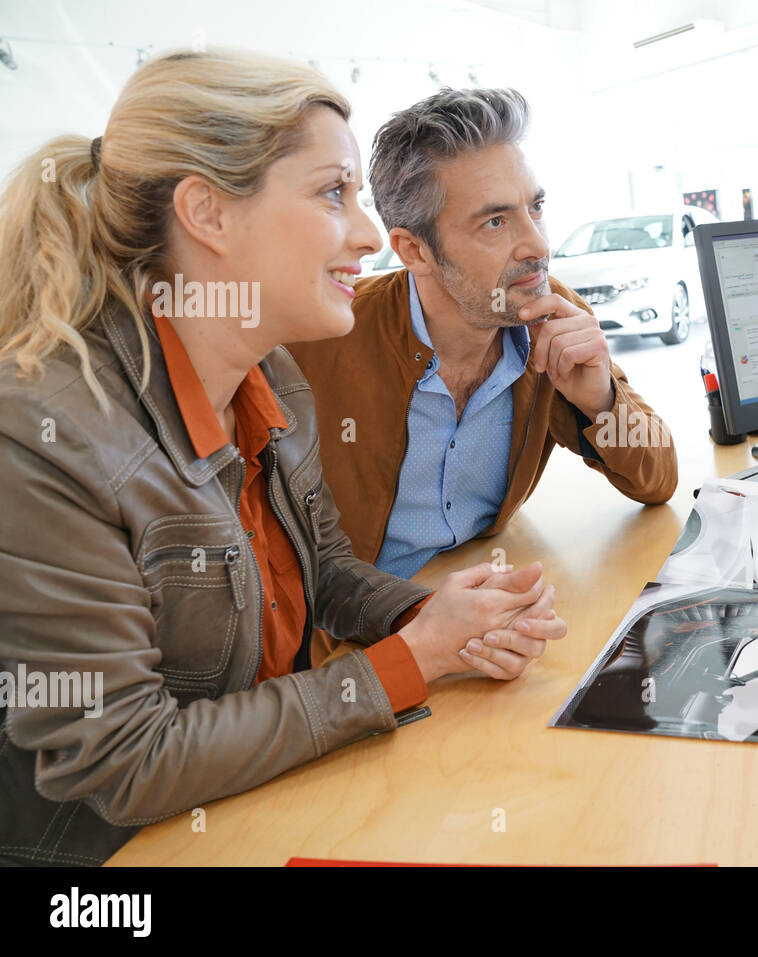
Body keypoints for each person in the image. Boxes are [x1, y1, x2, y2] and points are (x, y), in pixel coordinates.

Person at [0, 49, 566, 867]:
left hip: (257, 801)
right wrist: (408, 661)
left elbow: (320, 567)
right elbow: (122, 761)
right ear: (209, 214)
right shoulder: (45, 437)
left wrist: (432, 618)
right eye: (333, 193)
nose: (371, 234)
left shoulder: (270, 373)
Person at [287, 87, 677, 666]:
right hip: (346, 643)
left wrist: (600, 399)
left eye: (535, 207)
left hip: (473, 616)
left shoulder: (549, 315)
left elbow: (658, 480)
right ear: (413, 250)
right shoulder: (320, 337)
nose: (538, 245)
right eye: (495, 221)